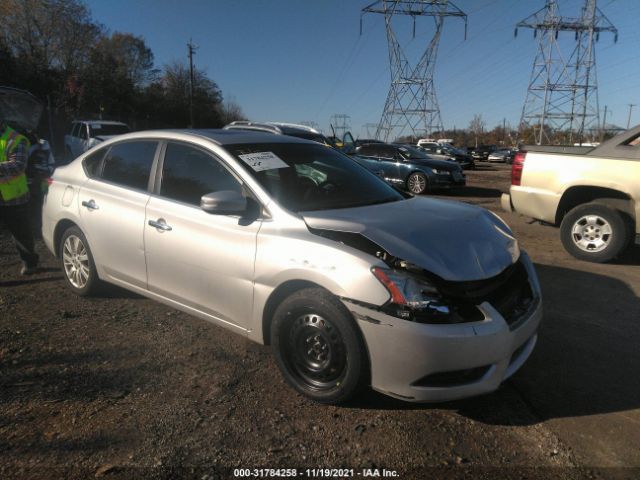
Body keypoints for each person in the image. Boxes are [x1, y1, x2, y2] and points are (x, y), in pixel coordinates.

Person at [0, 121, 39, 275]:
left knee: (22, 234)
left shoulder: (16, 139)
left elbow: (18, 166)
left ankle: (30, 264)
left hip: (14, 198)